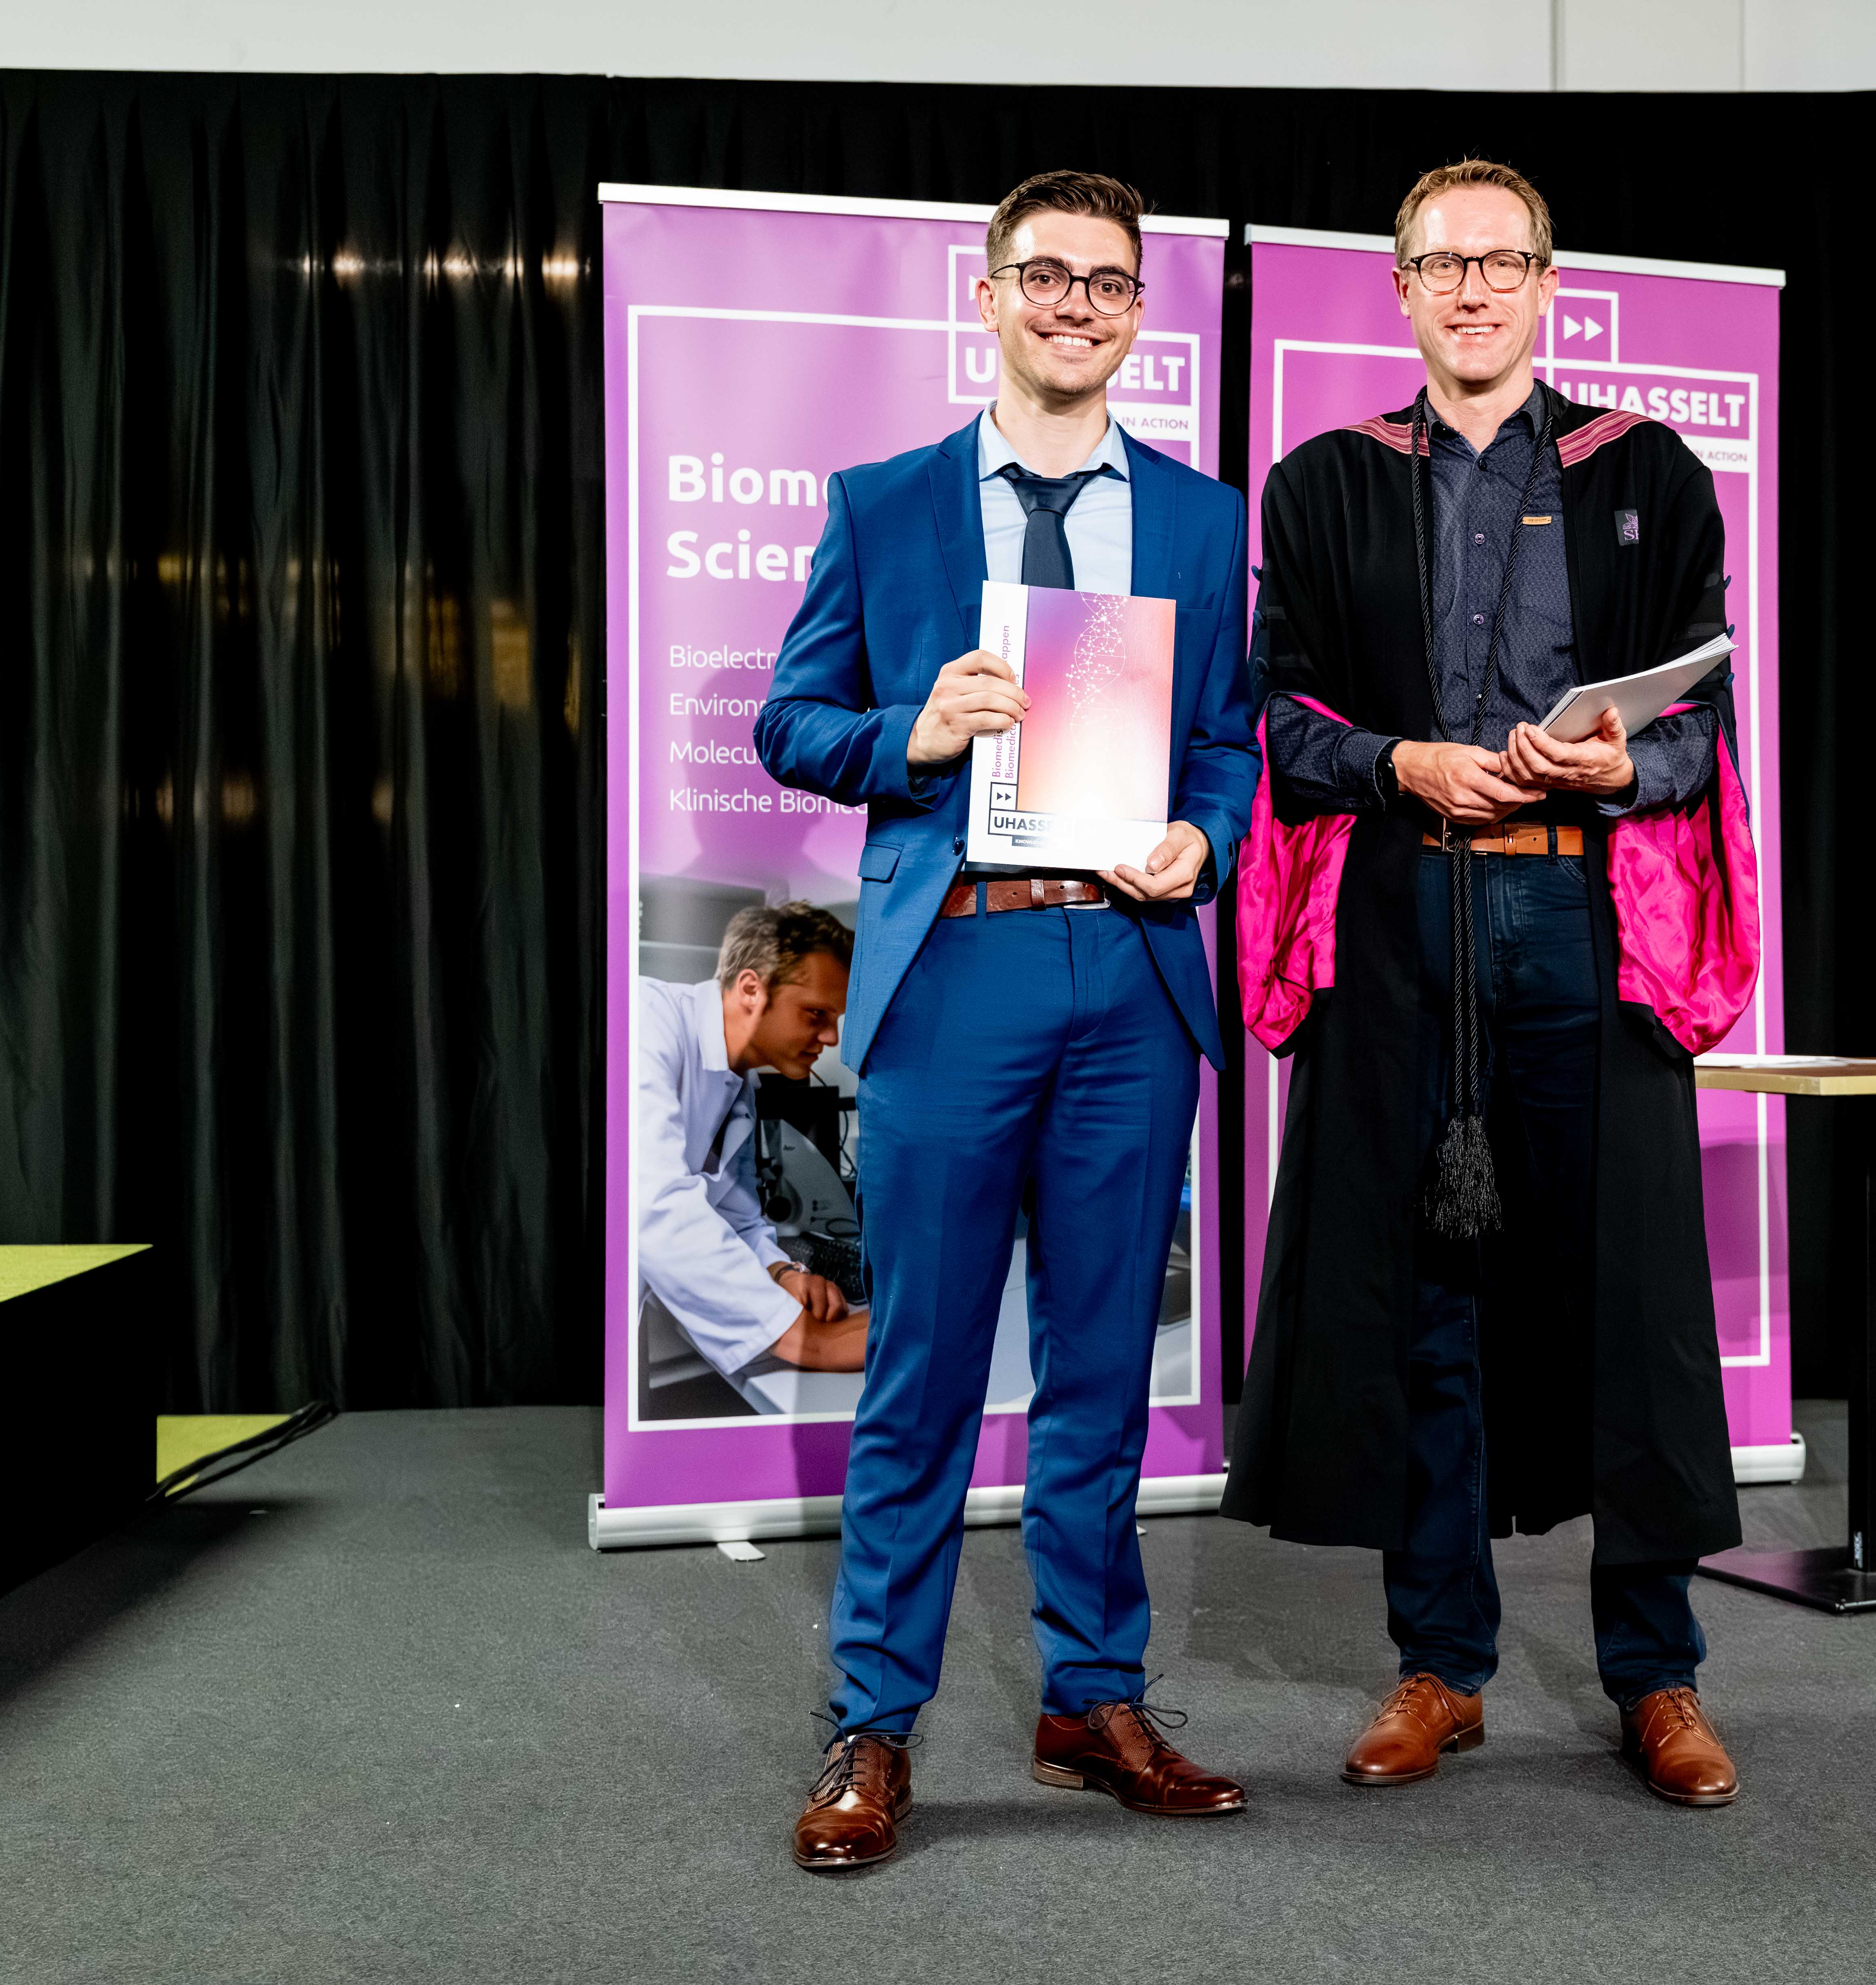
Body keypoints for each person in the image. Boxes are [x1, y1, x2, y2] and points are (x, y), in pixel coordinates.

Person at [1225, 158, 1761, 1808]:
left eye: (1500, 261)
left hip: (1585, 918)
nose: (1471, 288)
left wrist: (1622, 764)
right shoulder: (1324, 484)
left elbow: (1699, 723)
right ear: (1398, 288)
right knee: (1423, 1299)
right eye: (1440, 263)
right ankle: (1439, 1662)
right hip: (1402, 915)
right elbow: (1276, 718)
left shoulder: (1646, 472)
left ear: (1546, 284)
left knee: (1626, 1296)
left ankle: (1654, 1673)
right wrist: (1400, 761)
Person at [755, 169, 1259, 1872]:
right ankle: (875, 1717)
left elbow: (1229, 743)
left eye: (1106, 282)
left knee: (1103, 1371)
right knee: (922, 1373)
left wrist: (1208, 839)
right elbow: (791, 721)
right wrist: (910, 729)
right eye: (1045, 275)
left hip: (1130, 971)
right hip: (957, 968)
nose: (1075, 305)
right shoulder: (887, 504)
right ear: (986, 296)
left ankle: (1091, 1698)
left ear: (1139, 314)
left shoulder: (1199, 520)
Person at [633, 902, 865, 1397]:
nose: (830, 1037)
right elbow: (653, 1207)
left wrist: (782, 1273)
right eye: (816, 1014)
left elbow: (736, 1218)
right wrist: (814, 1343)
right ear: (750, 990)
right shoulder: (648, 1019)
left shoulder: (740, 1084)